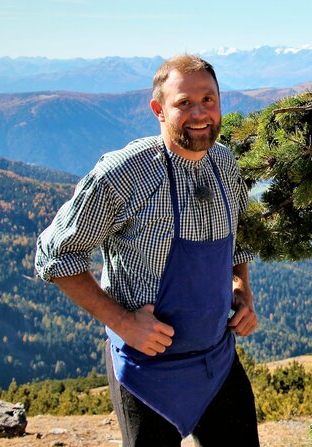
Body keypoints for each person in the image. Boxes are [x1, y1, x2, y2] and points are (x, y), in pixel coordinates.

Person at [35, 55, 259, 446]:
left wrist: (242, 288)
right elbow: (55, 255)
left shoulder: (224, 164)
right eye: (184, 103)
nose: (199, 113)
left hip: (217, 362)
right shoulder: (124, 173)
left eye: (208, 100)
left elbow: (239, 240)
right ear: (159, 109)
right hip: (146, 371)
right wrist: (123, 322)